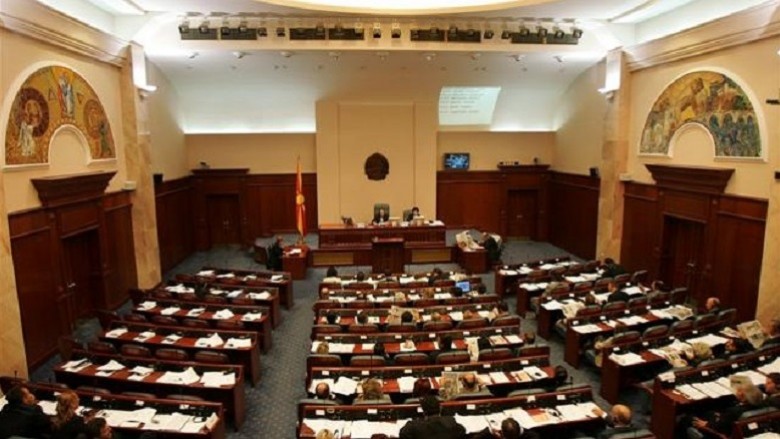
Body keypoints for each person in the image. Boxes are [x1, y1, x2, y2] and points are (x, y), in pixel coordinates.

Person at [685, 382, 764, 437]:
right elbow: (725, 421)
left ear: (744, 397)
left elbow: (720, 428)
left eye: (739, 390)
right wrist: (722, 416)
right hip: (741, 429)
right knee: (710, 413)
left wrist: (706, 425)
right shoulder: (761, 405)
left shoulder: (733, 411)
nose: (737, 391)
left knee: (688, 419)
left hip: (720, 433)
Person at [399, 395, 466, 439]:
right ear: (440, 408)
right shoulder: (450, 422)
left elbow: (402, 434)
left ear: (423, 411)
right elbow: (462, 431)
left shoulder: (414, 426)